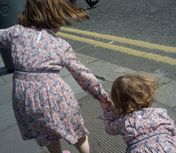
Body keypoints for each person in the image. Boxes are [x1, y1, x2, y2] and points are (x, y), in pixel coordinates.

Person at [0, 0, 109, 153]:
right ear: (54, 17)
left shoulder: (15, 32)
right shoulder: (60, 45)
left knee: (47, 133)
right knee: (76, 131)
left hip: (24, 99)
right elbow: (83, 75)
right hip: (54, 98)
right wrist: (101, 95)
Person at [100, 73, 176, 153]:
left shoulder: (122, 122)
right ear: (147, 95)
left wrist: (107, 109)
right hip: (171, 148)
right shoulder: (159, 113)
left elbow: (109, 129)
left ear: (118, 102)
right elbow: (175, 130)